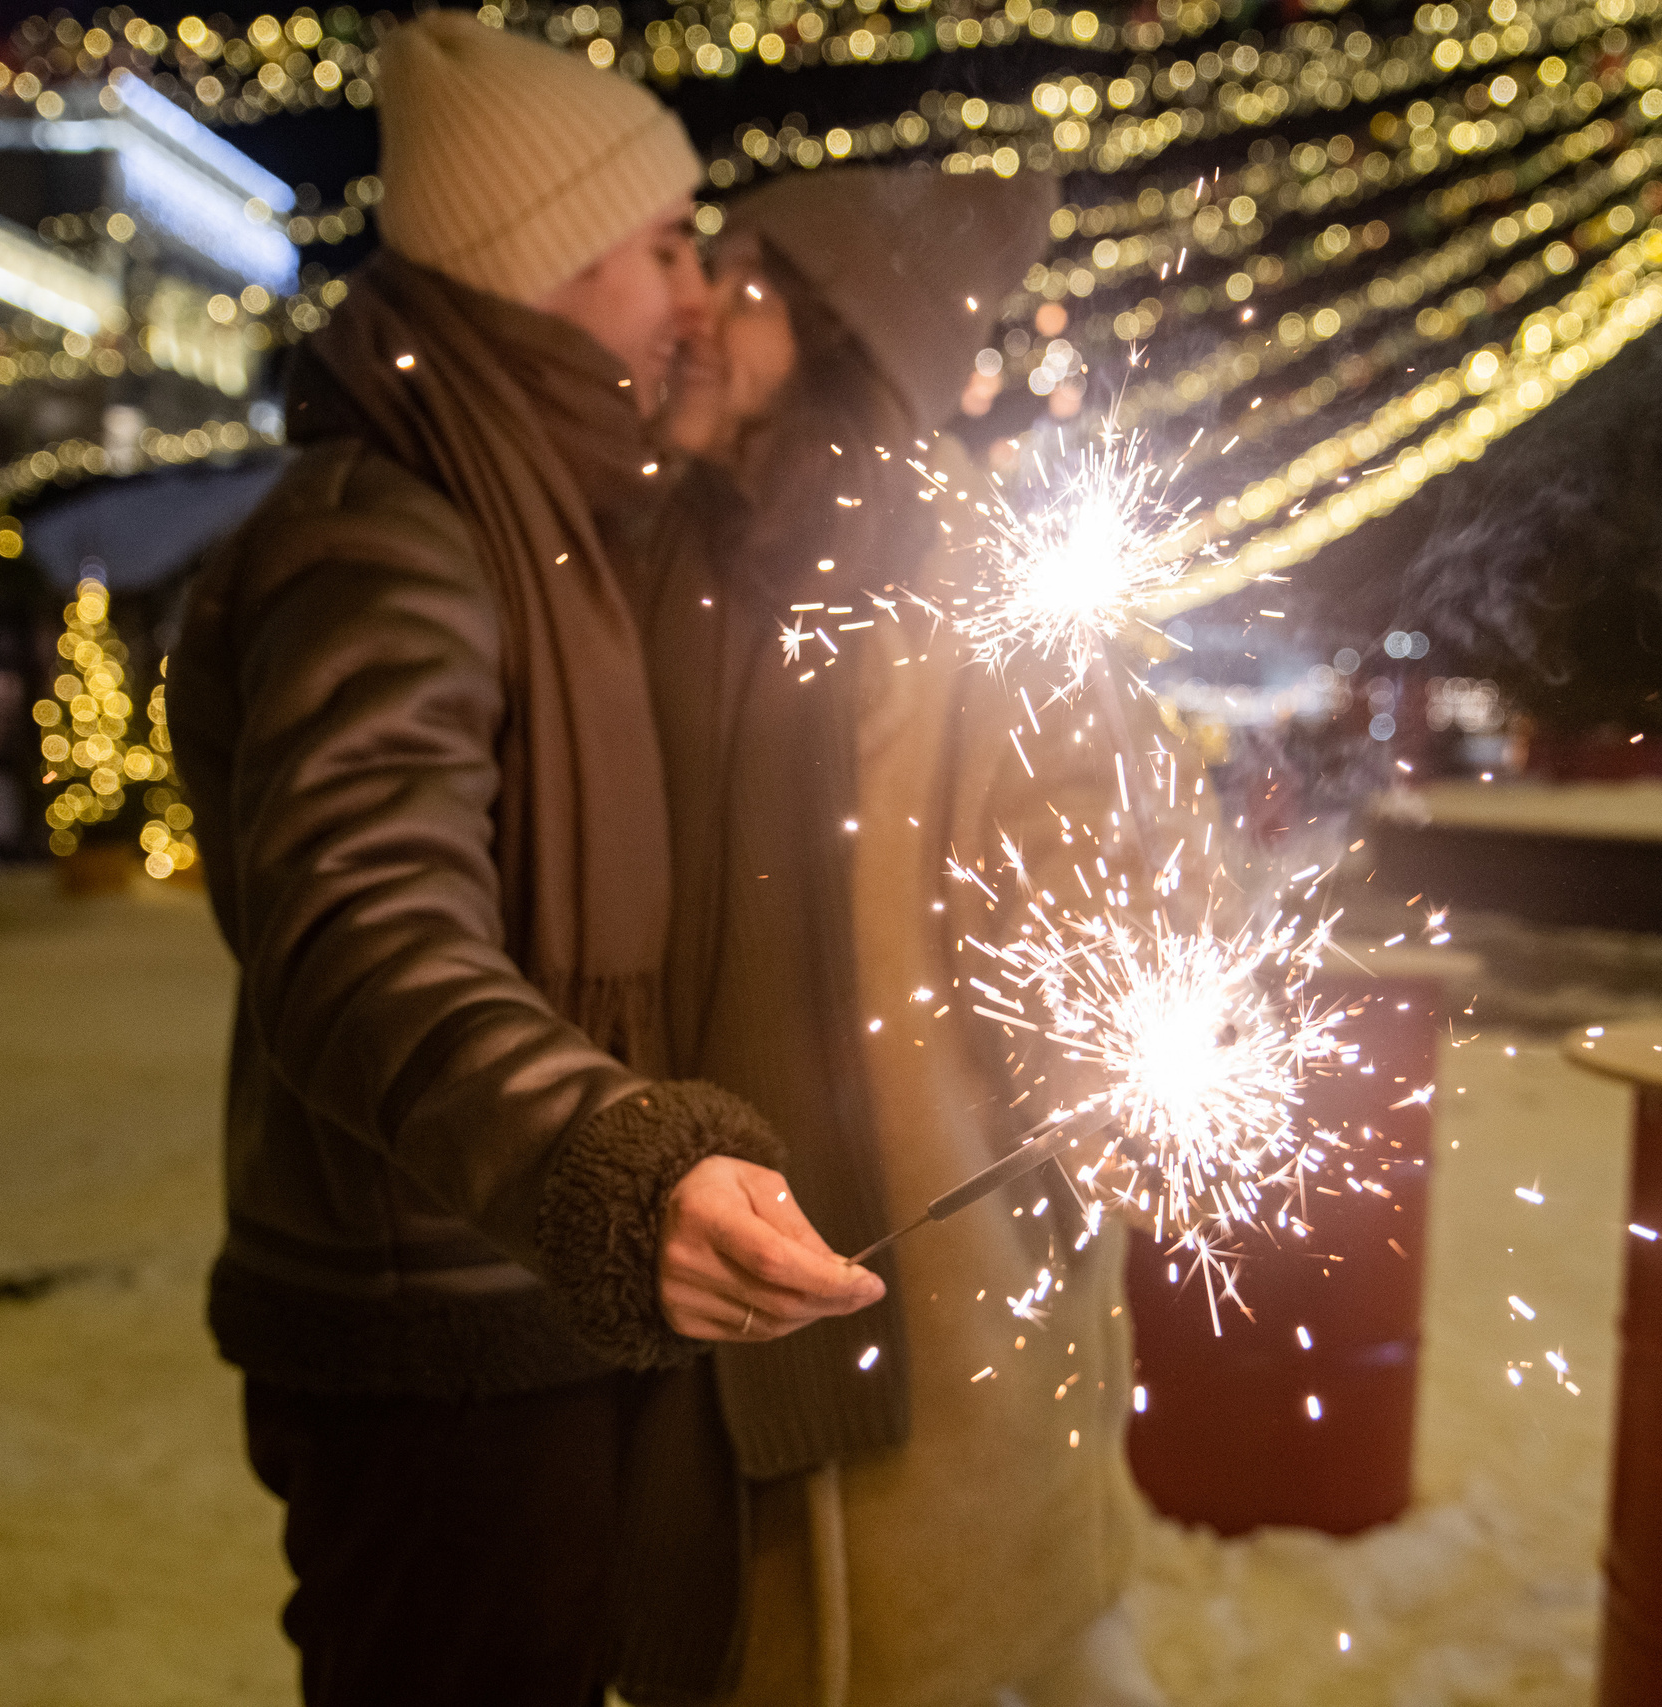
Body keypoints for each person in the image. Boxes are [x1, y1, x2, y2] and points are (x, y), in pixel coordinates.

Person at [168, 19, 882, 1706]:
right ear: (548, 267)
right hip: (434, 1332)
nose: (696, 296)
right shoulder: (385, 534)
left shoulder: (530, 511)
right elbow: (357, 929)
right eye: (658, 250)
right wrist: (610, 1155)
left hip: (511, 1297)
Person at [643, 166, 1192, 1707]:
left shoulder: (973, 599)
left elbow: (1098, 920)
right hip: (718, 1264)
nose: (696, 309)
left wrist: (1140, 1073)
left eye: (741, 283)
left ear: (836, 340)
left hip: (938, 1299)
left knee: (995, 1647)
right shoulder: (674, 555)